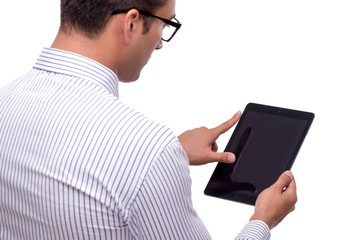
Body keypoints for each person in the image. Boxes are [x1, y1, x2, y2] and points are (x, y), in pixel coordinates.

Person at [0, 0, 297, 239]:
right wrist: (262, 221)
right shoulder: (148, 150)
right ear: (131, 23)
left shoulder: (5, 101)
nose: (160, 44)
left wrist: (173, 154)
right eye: (165, 24)